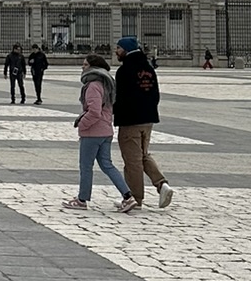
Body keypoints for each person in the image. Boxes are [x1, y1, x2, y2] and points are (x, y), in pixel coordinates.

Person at [61, 51, 135, 211]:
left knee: (86, 166)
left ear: (93, 67)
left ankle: (82, 199)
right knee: (107, 165)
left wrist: (82, 125)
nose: (82, 67)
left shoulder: (93, 85)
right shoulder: (106, 83)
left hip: (93, 132)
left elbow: (94, 111)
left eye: (85, 64)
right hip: (105, 130)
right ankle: (128, 196)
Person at [114, 37, 176, 209]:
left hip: (130, 120)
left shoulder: (124, 70)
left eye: (118, 48)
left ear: (126, 49)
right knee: (143, 155)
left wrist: (113, 111)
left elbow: (121, 97)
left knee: (132, 161)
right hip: (148, 118)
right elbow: (155, 94)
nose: (116, 51)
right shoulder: (148, 68)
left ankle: (135, 198)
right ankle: (162, 184)